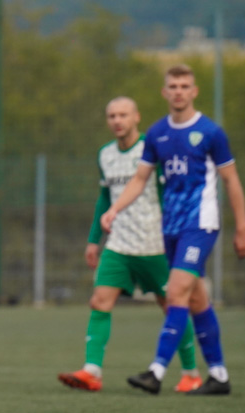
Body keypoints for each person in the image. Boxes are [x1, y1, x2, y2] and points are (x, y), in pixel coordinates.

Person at [100, 64, 245, 395]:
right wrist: (114, 208)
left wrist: (242, 227)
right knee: (196, 300)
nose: (179, 91)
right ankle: (219, 375)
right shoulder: (157, 134)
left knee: (175, 292)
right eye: (174, 86)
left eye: (185, 85)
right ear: (165, 92)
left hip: (200, 225)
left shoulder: (211, 133)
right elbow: (140, 179)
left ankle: (155, 372)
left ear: (194, 91)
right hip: (169, 228)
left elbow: (231, 180)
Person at [58, 97, 202, 393]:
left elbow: (168, 193)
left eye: (123, 114)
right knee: (100, 301)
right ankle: (92, 371)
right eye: (112, 115)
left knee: (172, 306)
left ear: (137, 117)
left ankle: (191, 373)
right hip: (119, 245)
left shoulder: (153, 148)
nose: (117, 120)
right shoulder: (105, 155)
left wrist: (174, 235)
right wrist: (93, 241)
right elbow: (104, 199)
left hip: (155, 245)